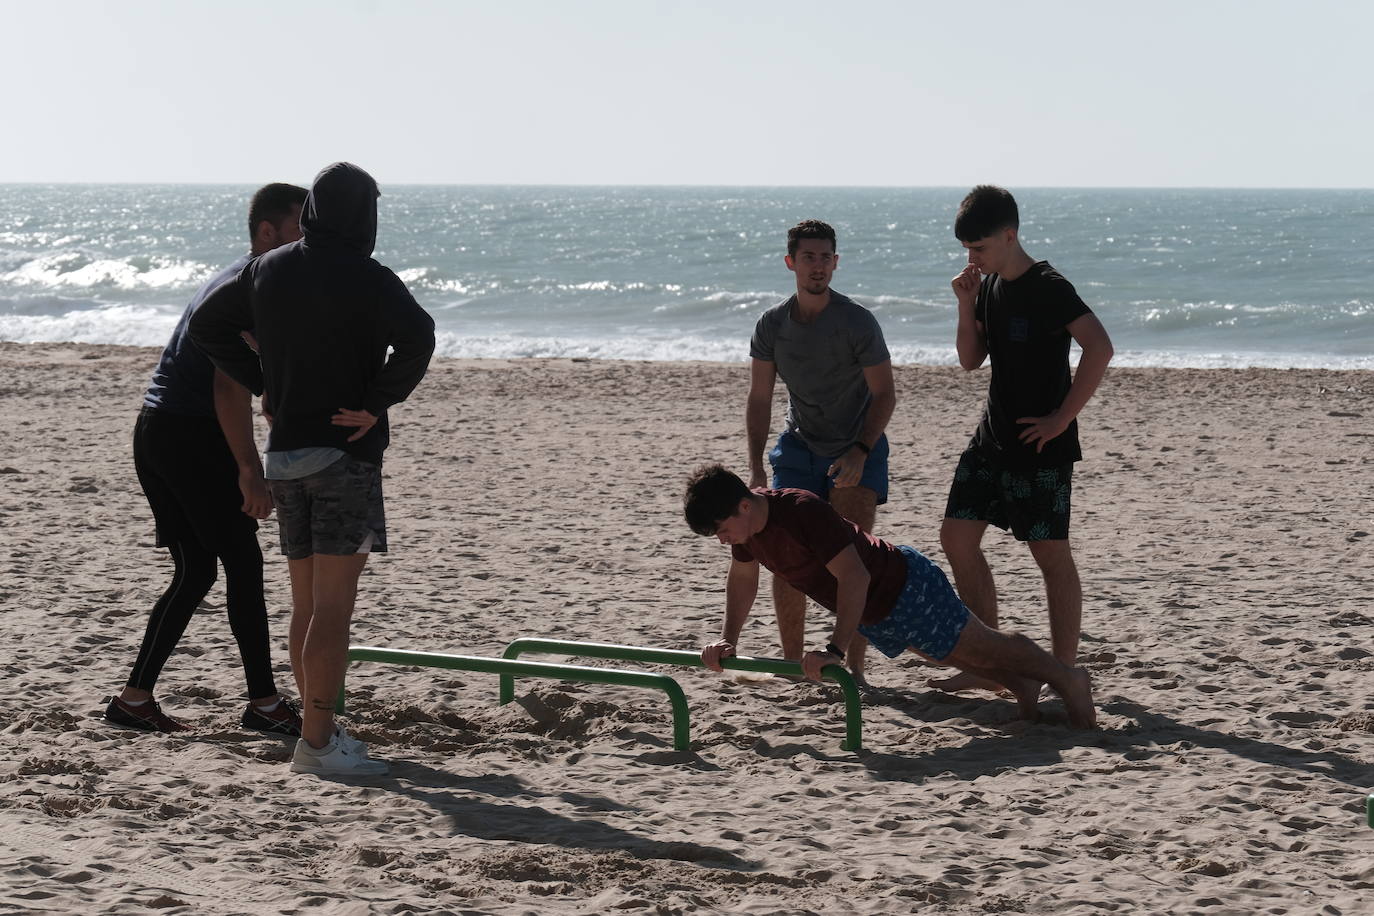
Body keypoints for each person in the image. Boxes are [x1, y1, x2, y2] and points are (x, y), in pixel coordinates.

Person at [191, 162, 435, 777]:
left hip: (284, 458)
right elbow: (420, 338)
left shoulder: (270, 267)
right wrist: (378, 400)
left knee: (305, 603)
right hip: (343, 459)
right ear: (365, 216)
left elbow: (207, 324)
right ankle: (320, 746)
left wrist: (268, 383)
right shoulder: (370, 276)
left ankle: (317, 726)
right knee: (333, 610)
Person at [105, 183, 309, 736]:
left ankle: (133, 700)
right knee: (242, 563)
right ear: (268, 232)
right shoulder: (254, 287)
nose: (309, 241)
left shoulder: (243, 277)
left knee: (196, 570)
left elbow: (249, 379)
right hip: (189, 437)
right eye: (301, 228)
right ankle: (265, 706)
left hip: (158, 432)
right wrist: (250, 469)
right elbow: (227, 390)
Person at [684, 465, 1095, 728]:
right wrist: (728, 639)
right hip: (876, 610)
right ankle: (1023, 686)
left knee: (980, 644)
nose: (722, 541)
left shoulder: (801, 511)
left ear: (743, 506)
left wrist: (834, 648)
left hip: (904, 586)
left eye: (721, 530)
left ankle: (1067, 679)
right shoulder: (748, 533)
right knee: (947, 654)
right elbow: (742, 580)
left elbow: (856, 578)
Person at [935, 185, 1114, 694]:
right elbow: (971, 360)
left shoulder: (1050, 285)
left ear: (1010, 235)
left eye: (980, 248)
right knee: (957, 539)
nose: (973, 258)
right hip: (991, 438)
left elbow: (1100, 347)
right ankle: (990, 663)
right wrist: (966, 303)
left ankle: (1062, 671)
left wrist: (1061, 418)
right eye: (967, 250)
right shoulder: (987, 285)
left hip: (1041, 447)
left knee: (1051, 558)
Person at [746, 219, 897, 683]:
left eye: (826, 257)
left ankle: (852, 665)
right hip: (798, 447)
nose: (818, 266)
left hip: (855, 447)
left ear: (836, 262)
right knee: (785, 556)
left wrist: (860, 450)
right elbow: (759, 397)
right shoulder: (772, 325)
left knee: (854, 559)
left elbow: (885, 394)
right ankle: (794, 666)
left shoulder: (856, 321)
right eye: (809, 257)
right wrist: (755, 467)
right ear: (791, 262)